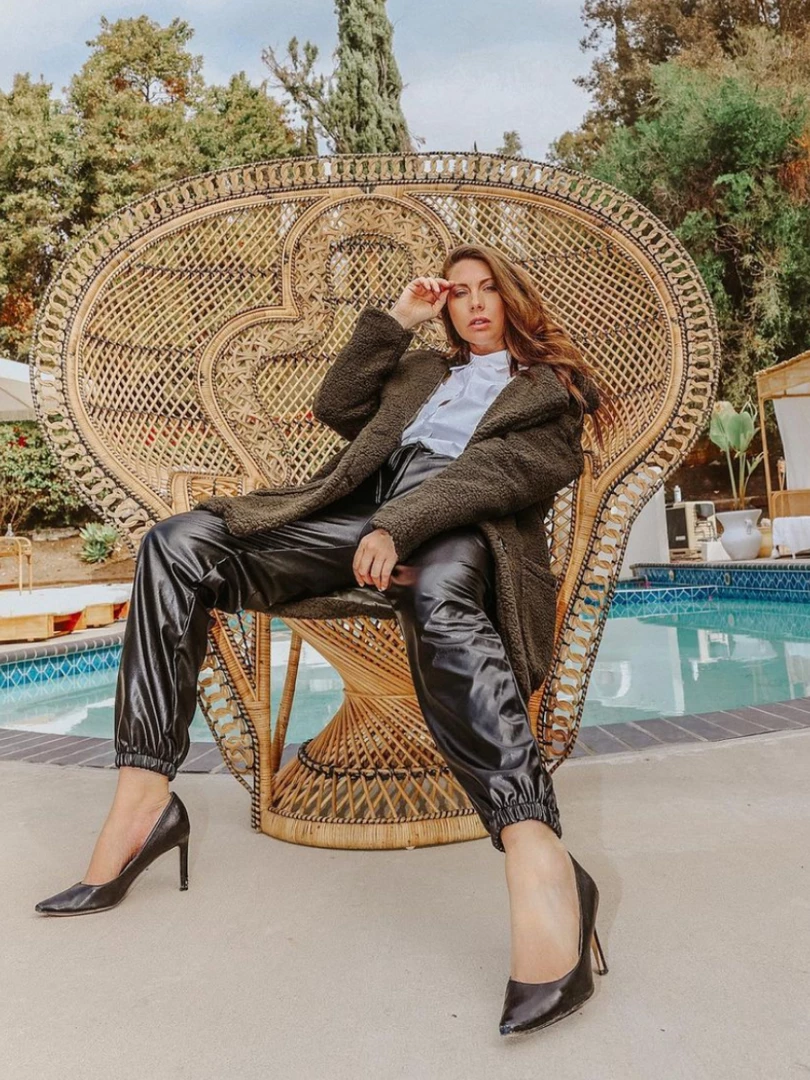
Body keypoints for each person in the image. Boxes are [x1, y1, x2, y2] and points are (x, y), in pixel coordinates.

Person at [35, 243, 609, 1037]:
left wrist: (398, 526)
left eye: (489, 290)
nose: (476, 304)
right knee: (176, 545)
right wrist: (398, 320)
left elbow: (502, 477)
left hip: (467, 529)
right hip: (359, 518)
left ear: (514, 298)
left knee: (438, 595)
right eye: (459, 293)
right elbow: (340, 405)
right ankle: (143, 801)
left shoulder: (550, 388)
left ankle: (537, 853)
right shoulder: (425, 371)